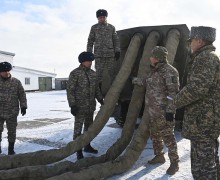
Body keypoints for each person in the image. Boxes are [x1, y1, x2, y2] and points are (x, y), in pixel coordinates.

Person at [174, 26, 220, 180]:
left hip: (202, 123)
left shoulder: (205, 57)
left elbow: (196, 89)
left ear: (200, 41)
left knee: (203, 170)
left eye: (191, 40)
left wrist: (174, 103)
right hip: (205, 121)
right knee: (210, 164)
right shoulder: (210, 56)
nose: (190, 44)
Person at [132, 46, 180, 175]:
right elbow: (148, 82)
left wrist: (170, 110)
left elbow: (173, 93)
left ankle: (174, 163)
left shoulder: (170, 71)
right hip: (153, 111)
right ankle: (159, 156)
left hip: (164, 112)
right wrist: (135, 80)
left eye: (152, 56)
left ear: (157, 58)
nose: (150, 58)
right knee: (155, 136)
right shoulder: (154, 71)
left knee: (169, 138)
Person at [66, 51, 104, 160]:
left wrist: (101, 100)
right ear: (82, 61)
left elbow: (96, 89)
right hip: (79, 107)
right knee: (78, 130)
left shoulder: (93, 74)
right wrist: (72, 105)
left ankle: (87, 146)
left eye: (91, 61)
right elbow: (70, 91)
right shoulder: (75, 73)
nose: (90, 63)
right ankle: (78, 151)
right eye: (88, 61)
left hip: (90, 106)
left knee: (88, 128)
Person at [87, 9, 121, 93]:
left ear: (106, 17)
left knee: (112, 74)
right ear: (97, 18)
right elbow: (90, 40)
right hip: (98, 56)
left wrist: (117, 51)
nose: (102, 19)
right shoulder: (94, 28)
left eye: (103, 17)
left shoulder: (111, 27)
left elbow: (115, 40)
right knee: (98, 76)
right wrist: (89, 53)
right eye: (100, 17)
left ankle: (114, 93)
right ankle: (100, 93)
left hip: (110, 55)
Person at [0, 61, 27, 155]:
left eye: (8, 70)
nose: (6, 72)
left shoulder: (16, 82)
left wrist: (23, 106)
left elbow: (22, 94)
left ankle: (11, 150)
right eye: (4, 71)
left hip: (12, 112)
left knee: (12, 132)